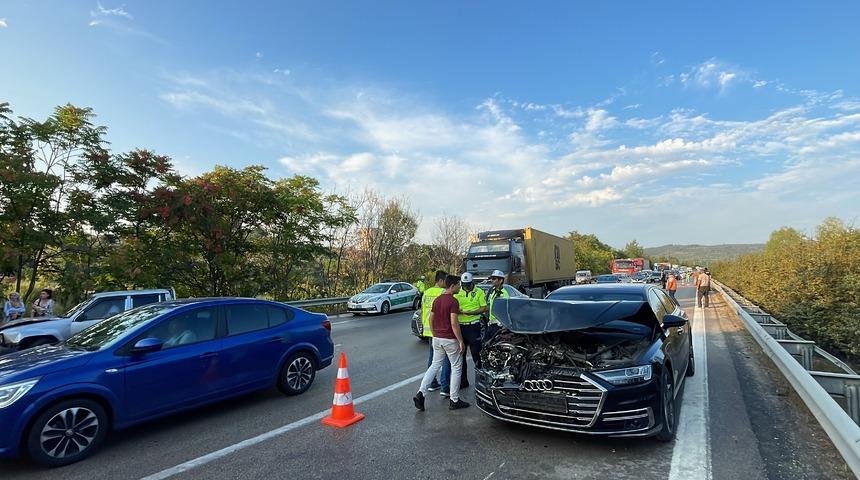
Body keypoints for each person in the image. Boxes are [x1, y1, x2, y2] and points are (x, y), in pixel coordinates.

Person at [413, 274, 470, 411]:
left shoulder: (438, 300)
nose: (460, 287)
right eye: (458, 285)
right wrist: (461, 340)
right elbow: (453, 323)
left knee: (434, 365)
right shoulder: (453, 301)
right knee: (456, 367)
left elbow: (431, 318)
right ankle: (454, 400)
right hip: (450, 339)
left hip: (437, 338)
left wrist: (434, 333)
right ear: (452, 285)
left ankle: (421, 393)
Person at [446, 272, 487, 390]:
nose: (465, 287)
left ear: (472, 283)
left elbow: (484, 308)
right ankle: (463, 381)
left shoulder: (479, 292)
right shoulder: (458, 291)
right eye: (463, 285)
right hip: (461, 326)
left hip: (473, 326)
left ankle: (482, 381)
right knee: (461, 355)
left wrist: (471, 313)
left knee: (477, 355)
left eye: (467, 285)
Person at [420, 270, 448, 391]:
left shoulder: (426, 292)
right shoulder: (443, 292)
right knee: (445, 358)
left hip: (428, 329)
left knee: (432, 357)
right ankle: (445, 385)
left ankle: (432, 382)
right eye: (445, 281)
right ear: (441, 280)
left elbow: (422, 310)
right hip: (439, 329)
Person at [485, 270, 510, 342]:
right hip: (491, 324)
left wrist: (504, 326)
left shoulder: (503, 294)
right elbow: (489, 306)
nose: (492, 281)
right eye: (491, 279)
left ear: (501, 280)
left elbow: (505, 310)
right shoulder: (493, 291)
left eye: (494, 279)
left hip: (498, 326)